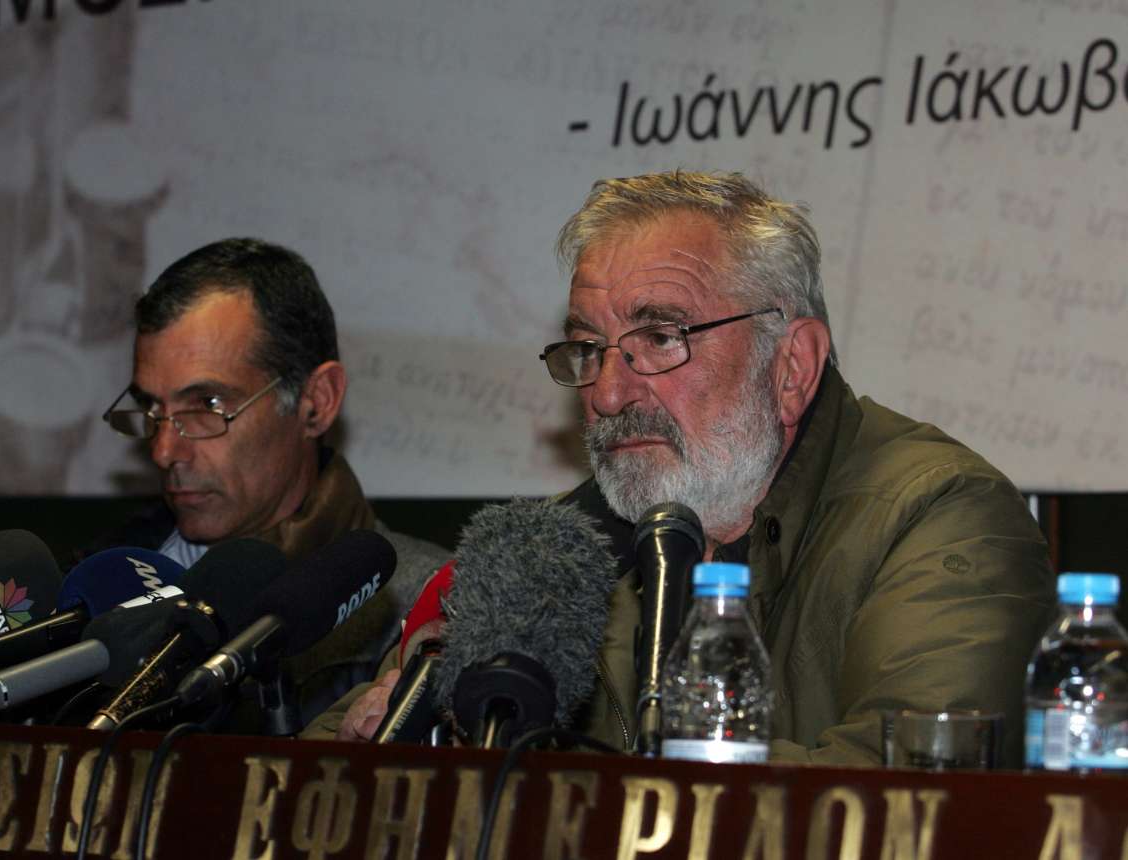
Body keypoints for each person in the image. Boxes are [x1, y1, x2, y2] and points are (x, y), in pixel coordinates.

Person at [325, 172, 1054, 766]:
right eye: (589, 348)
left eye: (660, 337)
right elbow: (325, 757)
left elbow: (910, 789)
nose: (608, 394)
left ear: (792, 365)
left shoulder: (939, 515)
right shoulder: (568, 543)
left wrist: (555, 781)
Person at [93, 238, 448, 728]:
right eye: (152, 408)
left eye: (208, 405)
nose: (164, 450)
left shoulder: (424, 612)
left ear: (317, 402)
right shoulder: (98, 584)